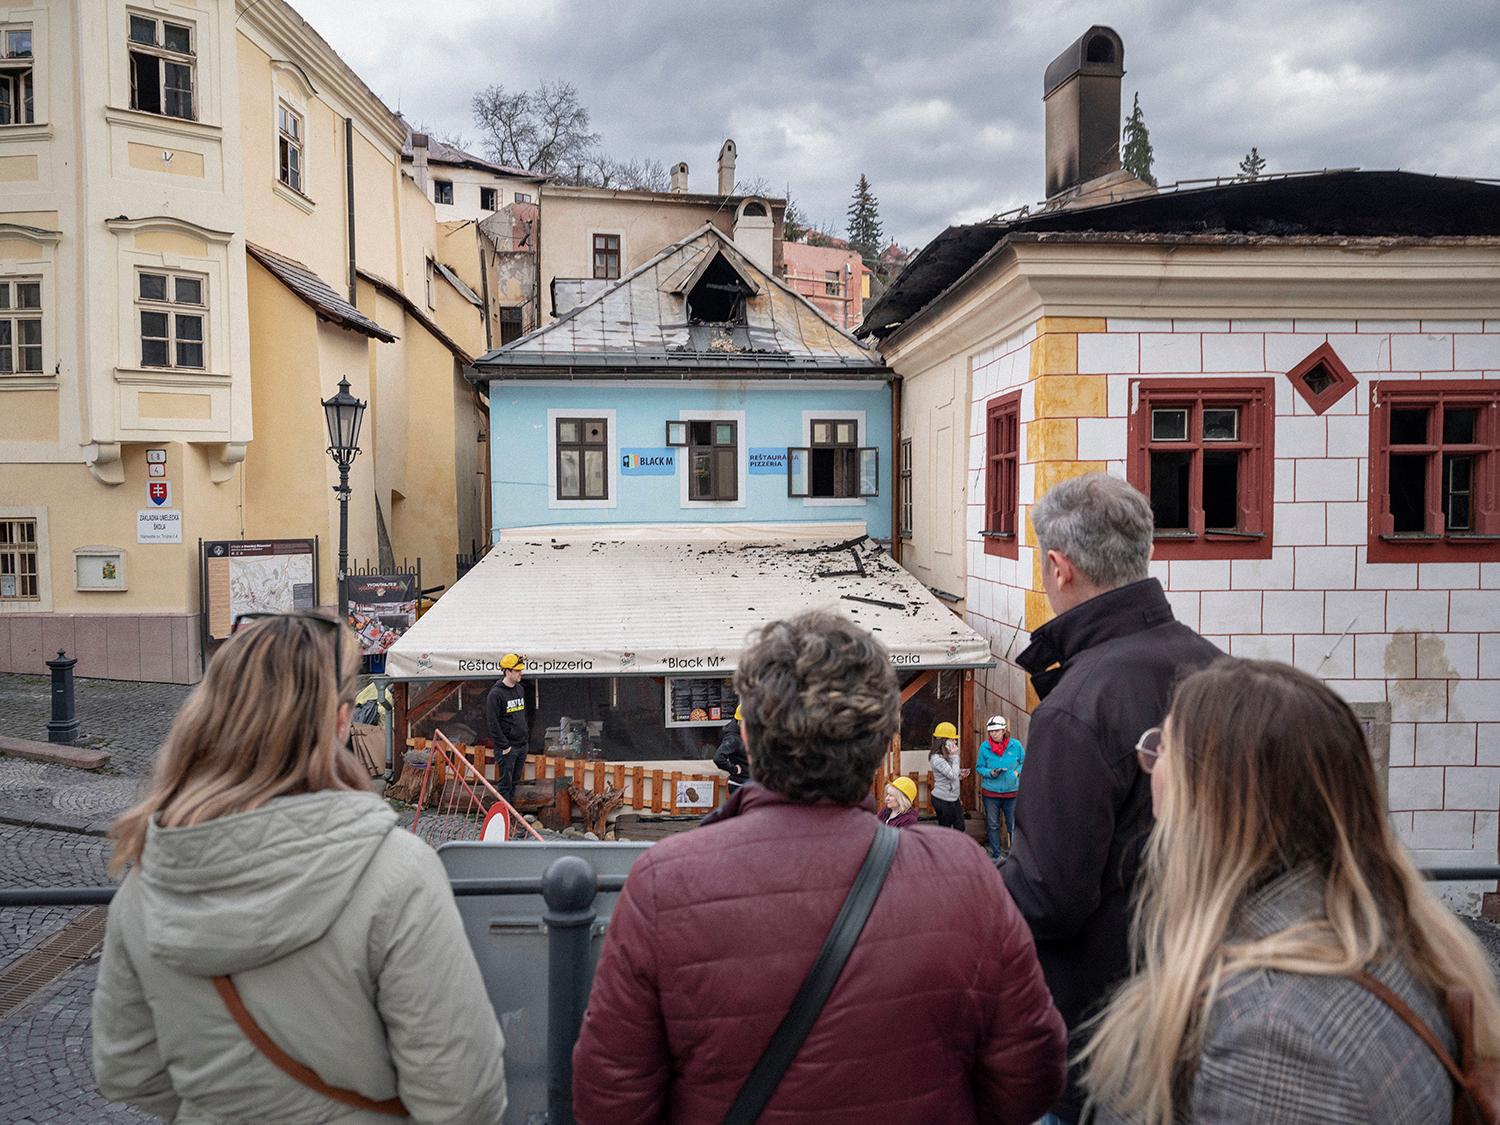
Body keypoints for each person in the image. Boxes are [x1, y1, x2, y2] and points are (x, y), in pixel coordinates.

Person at [572, 611, 1066, 1124]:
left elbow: (610, 1101)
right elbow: (1032, 1075)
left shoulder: (663, 884)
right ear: (878, 744)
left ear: (751, 737)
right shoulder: (965, 876)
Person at [93, 612, 507, 1123]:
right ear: (338, 721)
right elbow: (463, 1096)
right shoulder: (397, 872)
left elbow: (125, 1069)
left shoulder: (147, 876)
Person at [1084, 659, 1500, 1124]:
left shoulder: (1270, 1038)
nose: (1151, 763)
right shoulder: (1381, 933)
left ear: (1218, 801)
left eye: (1163, 747)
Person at [1002, 473, 1219, 1124]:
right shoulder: (1217, 667)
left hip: (1106, 1038)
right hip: (1205, 1009)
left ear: (1058, 567)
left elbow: (1050, 897)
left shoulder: (1078, 705)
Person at [485, 653, 529, 808]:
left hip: (521, 744)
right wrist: (505, 746)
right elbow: (493, 724)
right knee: (505, 783)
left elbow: (522, 715)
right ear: (507, 671)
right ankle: (506, 815)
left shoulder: (520, 689)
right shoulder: (495, 694)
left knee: (514, 781)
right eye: (517, 670)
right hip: (507, 747)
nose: (521, 673)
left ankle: (511, 812)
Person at [977, 715, 1023, 861]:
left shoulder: (1015, 745)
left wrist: (1016, 773)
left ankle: (1015, 855)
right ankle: (997, 854)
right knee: (993, 824)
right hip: (991, 793)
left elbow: (1024, 762)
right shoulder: (984, 747)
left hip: (1012, 793)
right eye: (991, 731)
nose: (993, 734)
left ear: (1004, 730)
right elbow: (979, 768)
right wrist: (990, 772)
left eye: (996, 731)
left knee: (1013, 824)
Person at [928, 721, 966, 831]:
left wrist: (960, 773)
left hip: (953, 798)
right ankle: (945, 848)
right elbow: (952, 775)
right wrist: (955, 757)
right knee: (946, 830)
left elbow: (953, 774)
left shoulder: (947, 754)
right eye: (952, 739)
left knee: (960, 827)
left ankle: (956, 848)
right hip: (942, 800)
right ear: (944, 741)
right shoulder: (936, 758)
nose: (955, 741)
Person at [714, 704, 751, 792]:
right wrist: (733, 769)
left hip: (750, 783)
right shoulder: (732, 738)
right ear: (740, 721)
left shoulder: (746, 734)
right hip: (739, 784)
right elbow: (718, 758)